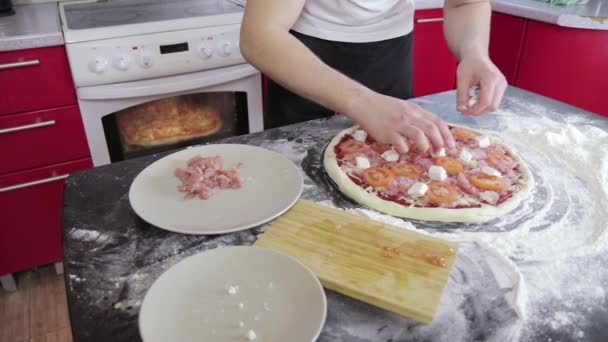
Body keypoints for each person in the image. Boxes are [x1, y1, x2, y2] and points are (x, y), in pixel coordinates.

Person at [239, 0, 507, 154]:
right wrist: (361, 102)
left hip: (391, 52)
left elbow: (466, 3)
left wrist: (474, 52)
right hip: (304, 59)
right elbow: (261, 36)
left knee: (398, 164)